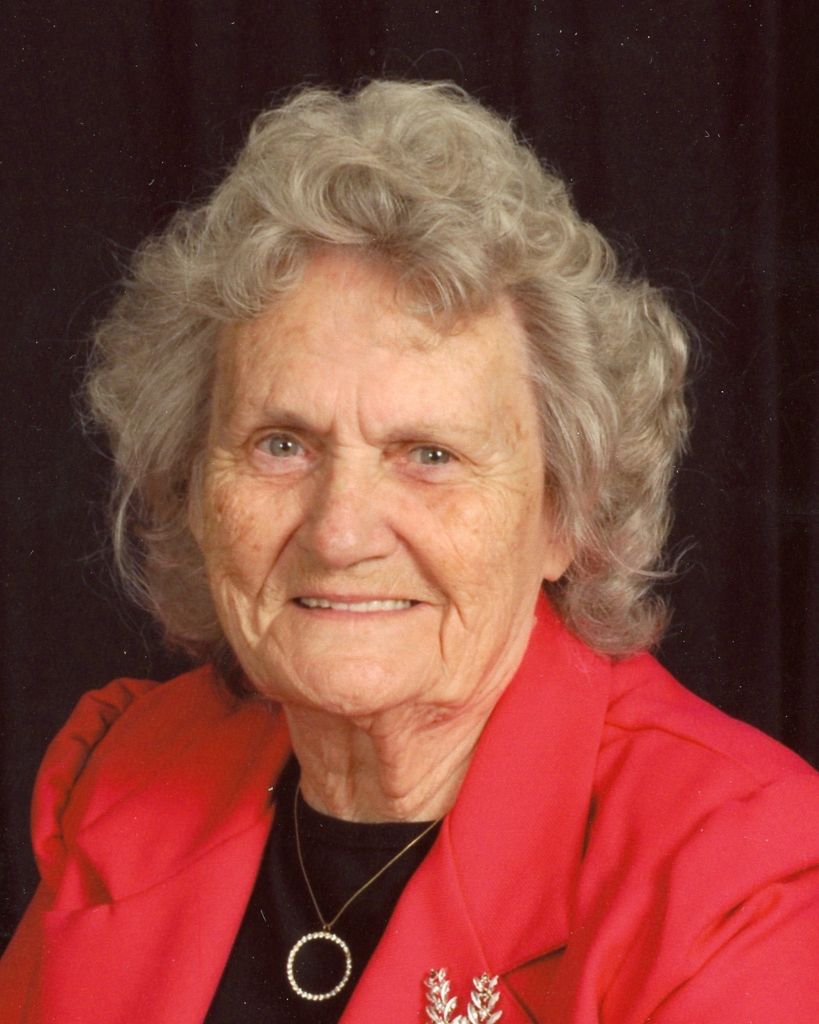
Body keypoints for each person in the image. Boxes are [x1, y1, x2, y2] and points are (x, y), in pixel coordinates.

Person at [1, 80, 817, 1024]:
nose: (340, 532)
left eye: (429, 455)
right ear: (193, 483)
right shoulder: (128, 775)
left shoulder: (735, 883)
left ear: (564, 515)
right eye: (281, 444)